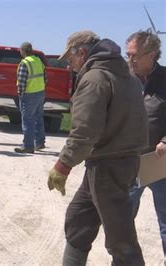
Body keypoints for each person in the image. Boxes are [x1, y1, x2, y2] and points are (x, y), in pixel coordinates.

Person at [47, 30, 148, 265]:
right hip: (114, 162)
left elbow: (84, 133)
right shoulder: (126, 75)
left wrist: (63, 165)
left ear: (81, 52)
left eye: (71, 60)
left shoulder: (95, 79)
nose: (70, 66)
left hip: (109, 166)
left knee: (120, 240)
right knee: (79, 218)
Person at [126, 30, 166, 259]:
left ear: (151, 55)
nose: (130, 60)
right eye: (128, 55)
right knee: (122, 220)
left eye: (134, 56)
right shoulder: (126, 80)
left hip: (160, 164)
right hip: (131, 163)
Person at [14, 42, 47, 153]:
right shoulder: (38, 61)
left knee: (28, 120)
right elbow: (45, 78)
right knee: (38, 118)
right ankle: (39, 142)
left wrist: (20, 93)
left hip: (29, 94)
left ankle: (28, 146)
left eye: (20, 50)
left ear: (23, 50)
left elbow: (22, 81)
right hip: (40, 93)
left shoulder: (24, 63)